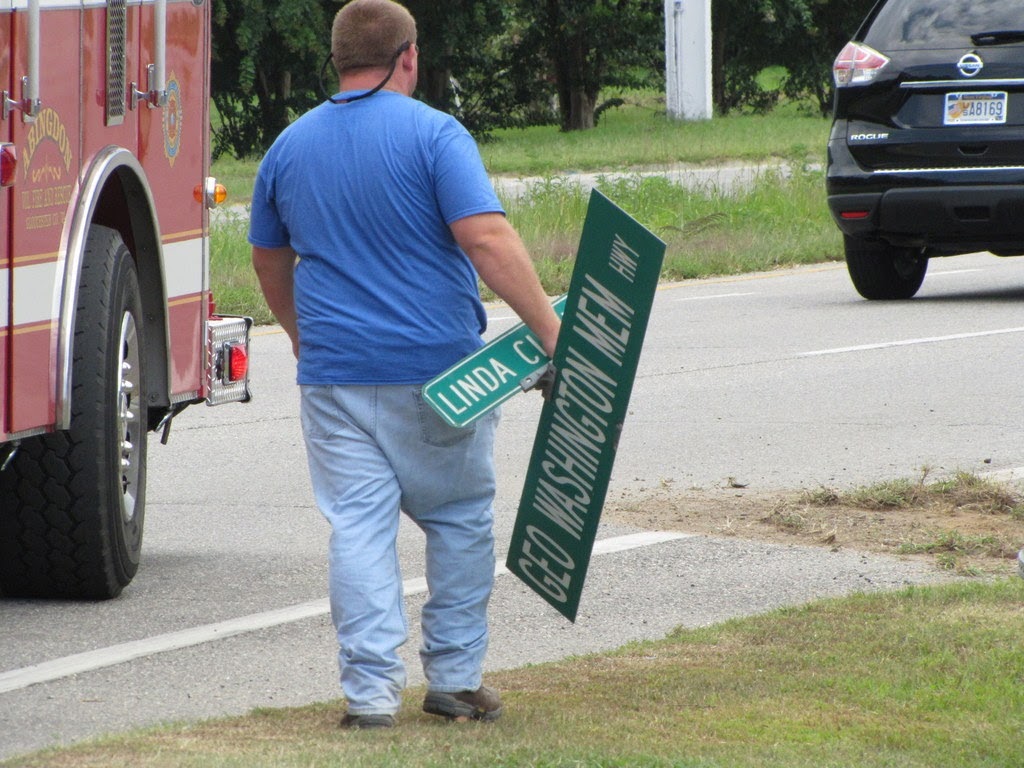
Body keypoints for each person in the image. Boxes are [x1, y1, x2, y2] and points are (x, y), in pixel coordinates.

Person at [248, 0, 561, 729]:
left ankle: (367, 699)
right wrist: (550, 333)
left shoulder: (289, 147)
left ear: (339, 60)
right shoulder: (435, 135)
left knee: (357, 530)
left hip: (334, 377)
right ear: (408, 56)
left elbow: (269, 259)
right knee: (455, 518)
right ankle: (453, 680)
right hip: (438, 375)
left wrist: (299, 333)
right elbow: (484, 237)